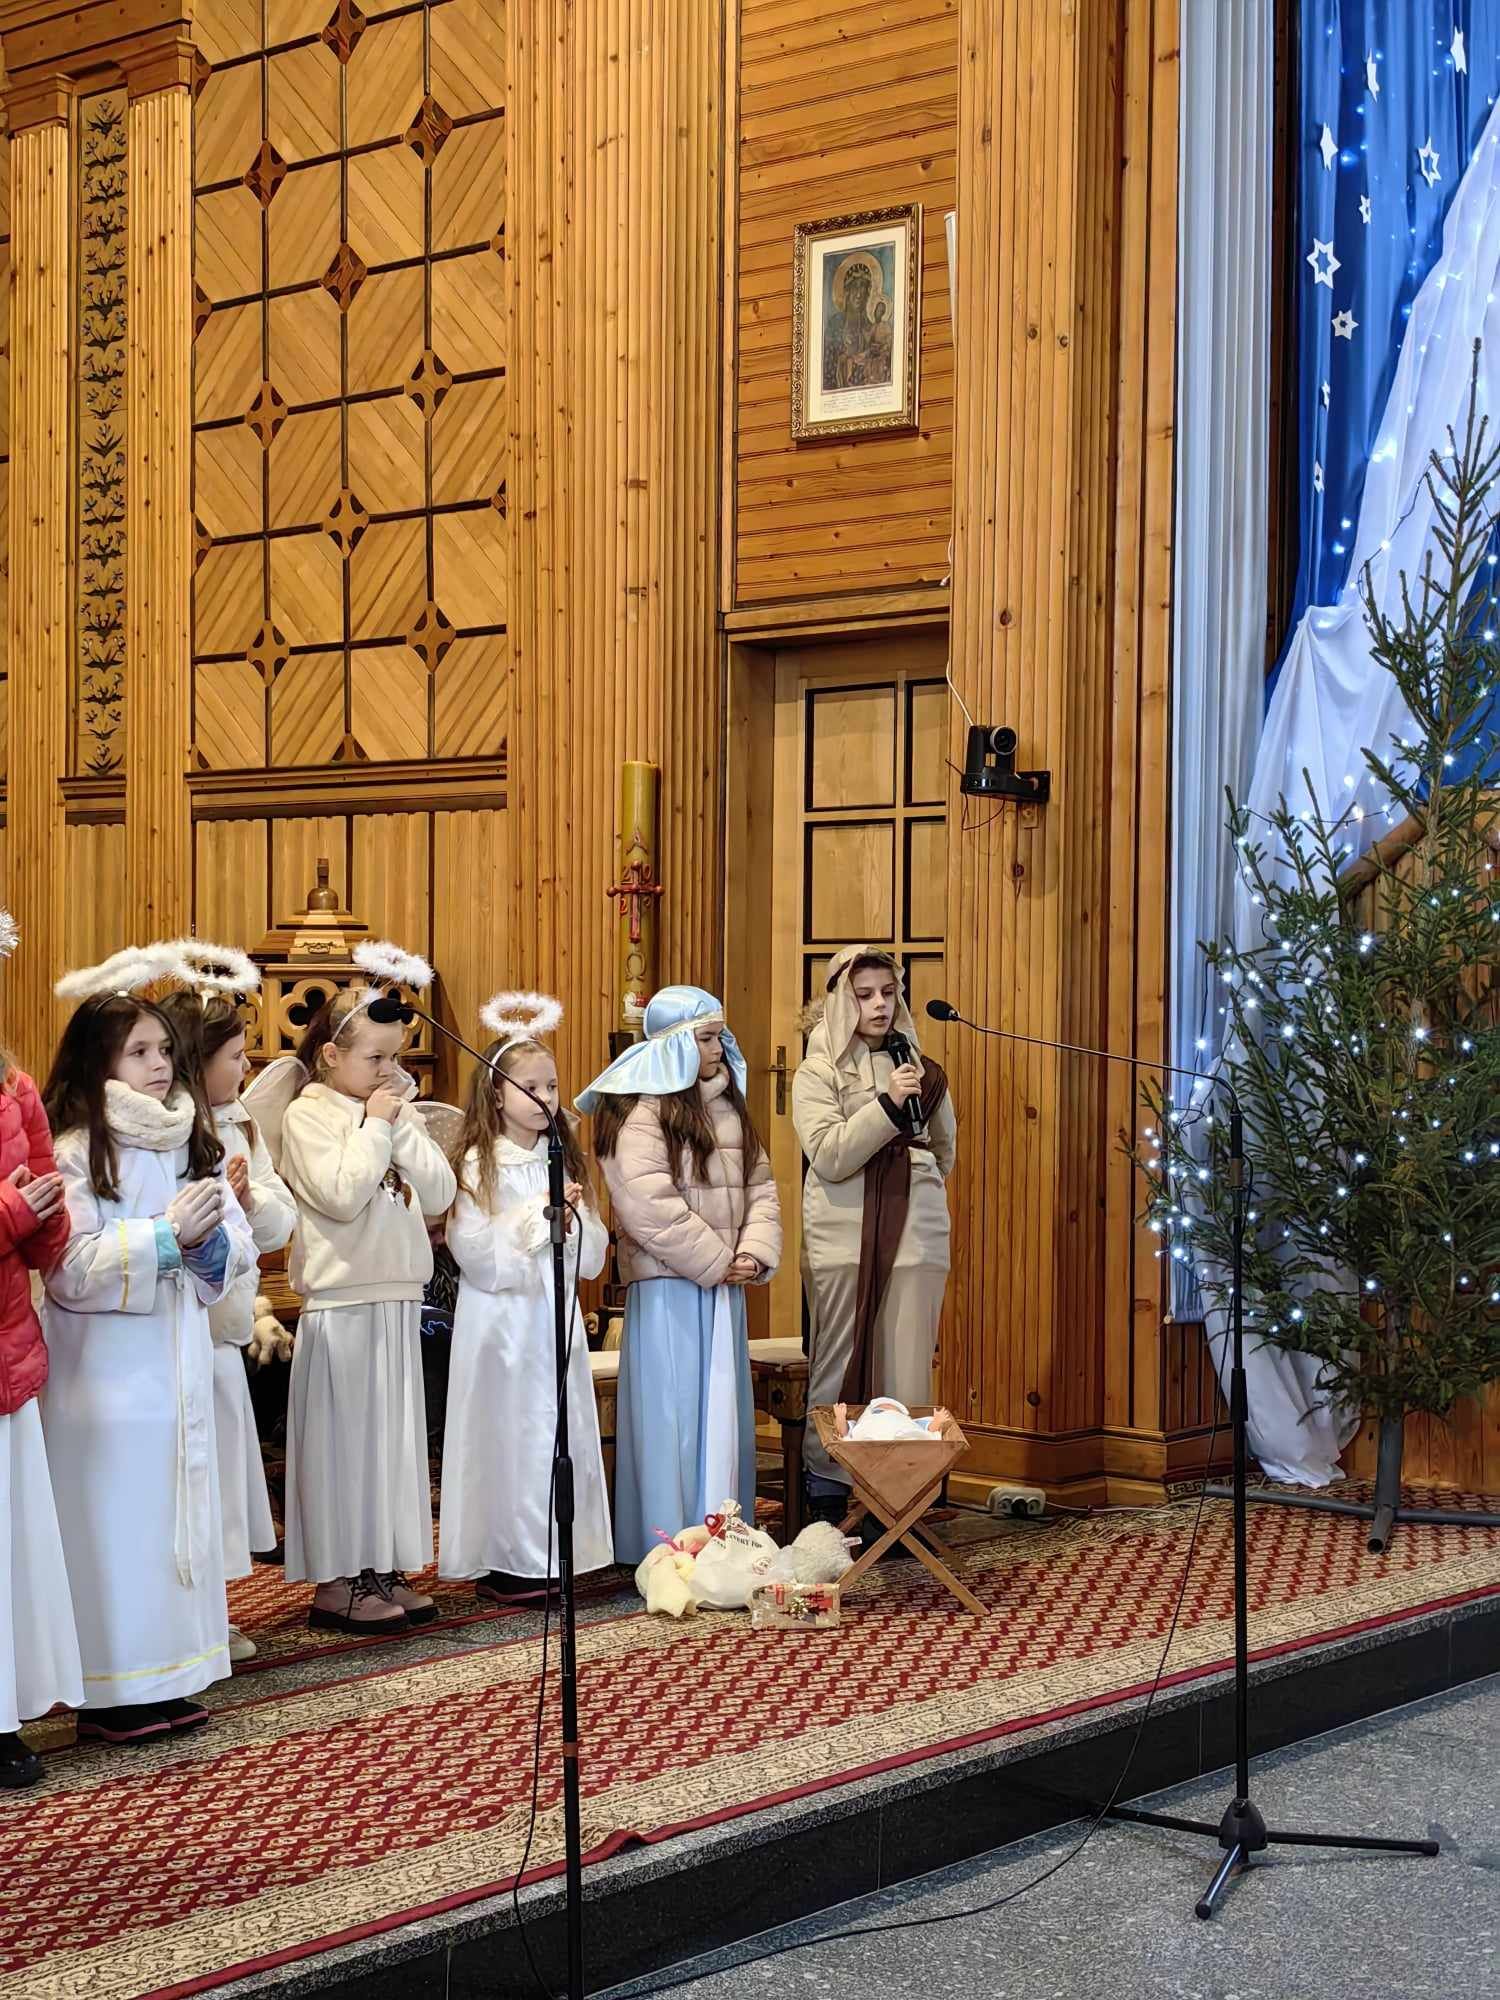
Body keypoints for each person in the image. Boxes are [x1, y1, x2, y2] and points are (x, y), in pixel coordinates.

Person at [41, 947, 256, 1746]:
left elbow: (236, 1244)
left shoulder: (186, 1140)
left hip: (176, 1370)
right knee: (118, 1527)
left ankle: (171, 1674)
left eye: (164, 1049)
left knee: (175, 1520)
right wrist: (165, 1237)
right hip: (107, 1380)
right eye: (139, 1051)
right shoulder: (75, 1150)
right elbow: (70, 1269)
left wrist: (208, 1246)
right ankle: (112, 1690)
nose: (160, 1064)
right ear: (99, 1060)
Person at [273, 979, 456, 1634]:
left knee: (390, 1448)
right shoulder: (308, 1117)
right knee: (344, 1449)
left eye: (395, 1057)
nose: (389, 1070)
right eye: (374, 1058)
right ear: (330, 1056)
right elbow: (342, 1194)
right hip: (342, 1301)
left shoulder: (393, 1113)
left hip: (397, 1293)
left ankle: (381, 1563)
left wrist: (397, 1125)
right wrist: (378, 1124)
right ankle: (337, 1580)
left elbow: (440, 1191)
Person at [577, 986, 781, 1567]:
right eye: (707, 1038)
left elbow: (761, 1186)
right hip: (672, 1285)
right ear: (674, 1046)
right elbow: (647, 1204)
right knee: (675, 1413)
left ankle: (723, 1534)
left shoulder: (728, 1104)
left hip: (723, 1283)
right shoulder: (640, 1112)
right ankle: (667, 1540)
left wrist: (752, 1252)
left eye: (720, 1037)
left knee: (720, 1412)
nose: (720, 1048)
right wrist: (715, 1260)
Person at [440, 994, 611, 1602]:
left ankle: (562, 1551)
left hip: (553, 1316)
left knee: (557, 1425)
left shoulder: (561, 1158)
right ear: (495, 1094)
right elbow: (476, 1254)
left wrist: (573, 1221)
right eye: (530, 1087)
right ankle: (509, 1557)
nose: (545, 1098)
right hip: (503, 1324)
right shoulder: (478, 1163)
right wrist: (539, 1218)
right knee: (512, 1432)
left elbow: (593, 1257)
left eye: (553, 1086)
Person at [792, 946, 956, 1515]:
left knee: (907, 1359)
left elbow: (942, 1150)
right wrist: (886, 1105)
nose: (880, 1005)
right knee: (842, 1353)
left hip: (916, 1228)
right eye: (865, 995)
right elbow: (830, 1155)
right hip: (843, 1232)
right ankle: (830, 1485)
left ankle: (902, 1495)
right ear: (842, 1000)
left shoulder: (922, 1069)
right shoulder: (816, 1072)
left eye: (888, 992)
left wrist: (912, 1181)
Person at [162, 972, 295, 1664]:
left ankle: (215, 1608)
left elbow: (279, 1219)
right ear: (196, 1059)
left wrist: (248, 1203)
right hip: (179, 1331)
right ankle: (183, 1618)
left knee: (219, 1483)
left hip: (226, 1328)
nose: (246, 1068)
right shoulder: (165, 1127)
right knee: (185, 1482)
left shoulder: (240, 1122)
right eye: (236, 1056)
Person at [0, 911, 81, 1788]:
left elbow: (43, 1224)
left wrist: (48, 1217)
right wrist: (17, 1209)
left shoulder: (15, 1086)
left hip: (7, 1349)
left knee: (8, 1547)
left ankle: (3, 1711)